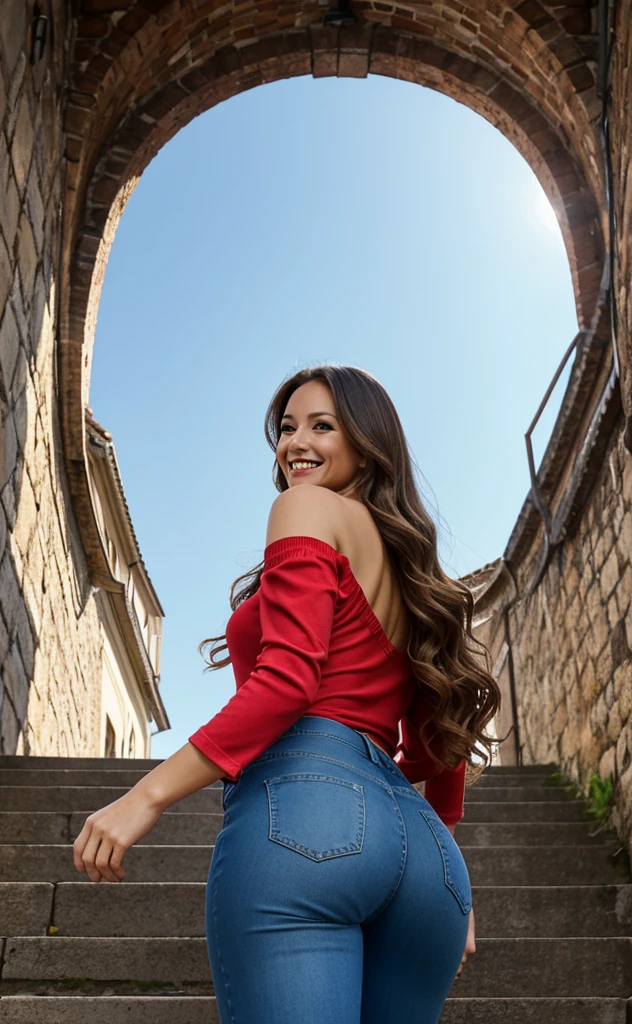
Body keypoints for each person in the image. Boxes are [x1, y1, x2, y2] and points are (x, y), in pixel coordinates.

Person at [73, 364, 501, 1023]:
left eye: (322, 426)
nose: (294, 442)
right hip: (427, 866)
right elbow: (444, 733)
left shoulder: (306, 509)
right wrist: (453, 878)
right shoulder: (411, 570)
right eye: (286, 428)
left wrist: (146, 796)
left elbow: (289, 680)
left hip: (308, 814)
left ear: (367, 442)